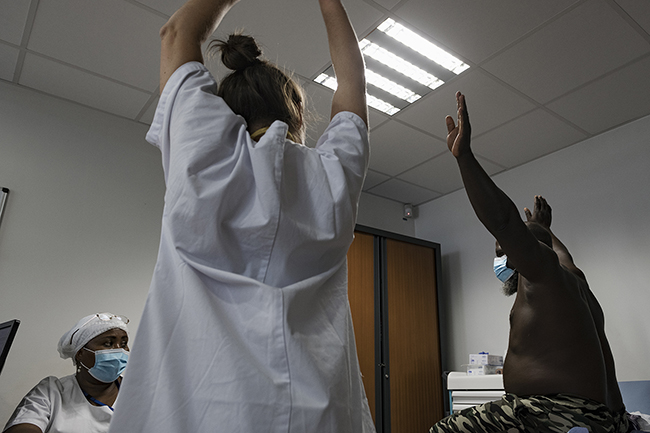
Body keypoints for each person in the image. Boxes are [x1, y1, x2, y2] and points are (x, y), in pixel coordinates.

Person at [108, 0, 373, 432]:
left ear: (226, 110)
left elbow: (177, 33)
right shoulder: (332, 177)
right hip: (317, 415)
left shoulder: (203, 152)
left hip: (203, 409)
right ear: (299, 114)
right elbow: (352, 82)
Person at [429, 93, 630, 433]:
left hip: (559, 413)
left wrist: (464, 158)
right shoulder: (573, 278)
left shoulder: (542, 273)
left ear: (528, 251)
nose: (502, 255)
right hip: (608, 416)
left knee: (442, 430)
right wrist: (544, 229)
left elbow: (504, 221)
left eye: (503, 249)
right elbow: (559, 251)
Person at [3, 313, 129, 433]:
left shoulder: (137, 391)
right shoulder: (52, 391)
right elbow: (24, 425)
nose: (119, 350)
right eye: (108, 344)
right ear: (80, 353)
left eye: (123, 344)